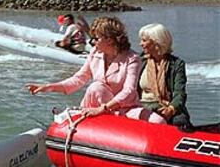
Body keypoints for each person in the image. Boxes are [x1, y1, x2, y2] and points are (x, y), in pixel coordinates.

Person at [27, 16, 166, 124]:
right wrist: (47, 87)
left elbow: (129, 91)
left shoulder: (132, 58)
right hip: (95, 108)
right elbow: (78, 79)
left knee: (158, 121)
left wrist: (103, 108)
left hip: (124, 109)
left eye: (96, 39)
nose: (92, 42)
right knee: (96, 87)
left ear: (110, 40)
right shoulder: (94, 53)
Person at [138, 23, 191, 128]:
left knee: (179, 122)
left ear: (156, 42)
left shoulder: (177, 64)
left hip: (165, 106)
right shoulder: (140, 61)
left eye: (144, 40)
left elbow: (180, 93)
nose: (140, 44)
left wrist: (171, 109)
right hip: (143, 105)